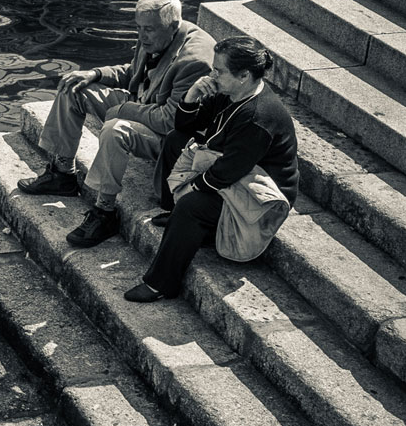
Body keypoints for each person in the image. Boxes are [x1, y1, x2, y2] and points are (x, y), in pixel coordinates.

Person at [17, 0, 214, 249]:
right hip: (143, 106)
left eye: (149, 30)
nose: (142, 36)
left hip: (166, 138)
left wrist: (123, 111)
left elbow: (170, 121)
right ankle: (62, 173)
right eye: (139, 28)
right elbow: (133, 72)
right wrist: (96, 74)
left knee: (114, 129)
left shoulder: (194, 60)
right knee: (73, 87)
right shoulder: (158, 34)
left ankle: (104, 212)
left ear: (173, 25)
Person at [125, 34, 299, 303]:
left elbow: (226, 173)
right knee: (175, 142)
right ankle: (177, 218)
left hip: (260, 197)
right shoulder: (229, 92)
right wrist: (192, 95)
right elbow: (183, 127)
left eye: (219, 70)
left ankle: (161, 284)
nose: (212, 74)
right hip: (237, 174)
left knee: (192, 204)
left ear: (243, 75)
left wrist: (189, 191)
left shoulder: (258, 117)